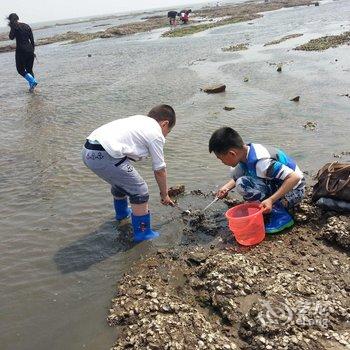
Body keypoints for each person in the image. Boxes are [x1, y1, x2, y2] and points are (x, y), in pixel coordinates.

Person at [82, 105, 176, 242]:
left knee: (123, 181)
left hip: (87, 151)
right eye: (168, 131)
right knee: (140, 190)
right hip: (103, 154)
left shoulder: (139, 120)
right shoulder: (156, 133)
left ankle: (122, 214)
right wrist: (164, 194)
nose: (166, 135)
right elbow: (160, 169)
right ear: (165, 123)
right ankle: (143, 233)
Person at [209, 127, 305, 234]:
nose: (222, 162)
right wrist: (226, 188)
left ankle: (281, 216)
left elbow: (295, 178)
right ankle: (268, 205)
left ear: (232, 153)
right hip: (278, 182)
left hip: (294, 191)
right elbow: (239, 175)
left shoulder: (262, 162)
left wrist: (271, 200)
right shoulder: (246, 152)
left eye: (221, 158)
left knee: (243, 184)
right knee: (236, 174)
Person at [7, 13, 38, 91]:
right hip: (30, 50)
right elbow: (32, 40)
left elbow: (11, 37)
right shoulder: (27, 26)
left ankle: (32, 81)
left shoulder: (15, 27)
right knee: (29, 70)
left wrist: (12, 27)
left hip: (21, 51)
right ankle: (32, 88)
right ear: (18, 18)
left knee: (20, 69)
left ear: (10, 20)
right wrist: (32, 51)